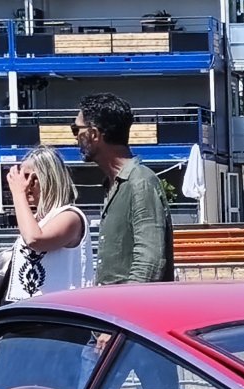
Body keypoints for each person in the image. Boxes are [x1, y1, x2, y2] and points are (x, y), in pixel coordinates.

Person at [71, 92, 175, 284]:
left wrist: (126, 305)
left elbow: (149, 263)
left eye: (76, 129)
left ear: (93, 134)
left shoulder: (140, 182)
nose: (75, 137)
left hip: (128, 309)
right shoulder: (115, 184)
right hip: (113, 308)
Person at [3, 144, 96, 301]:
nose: (24, 185)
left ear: (48, 179)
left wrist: (18, 194)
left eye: (29, 178)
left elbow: (35, 239)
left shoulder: (70, 216)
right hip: (32, 310)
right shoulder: (39, 220)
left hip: (62, 312)